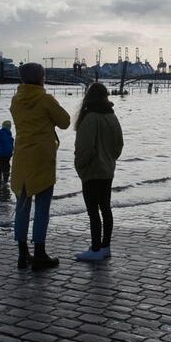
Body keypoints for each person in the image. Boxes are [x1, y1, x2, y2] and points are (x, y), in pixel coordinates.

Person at [10, 62, 71, 270]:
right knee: (42, 209)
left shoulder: (15, 100)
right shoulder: (45, 99)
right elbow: (65, 121)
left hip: (20, 159)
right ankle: (39, 254)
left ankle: (21, 254)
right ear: (41, 78)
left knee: (21, 208)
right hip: (42, 160)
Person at [73, 83, 124, 262]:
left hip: (92, 171)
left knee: (93, 211)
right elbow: (119, 144)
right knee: (106, 208)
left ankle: (95, 248)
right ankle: (105, 246)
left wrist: (80, 165)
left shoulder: (90, 118)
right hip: (107, 170)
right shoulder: (112, 116)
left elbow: (84, 148)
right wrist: (111, 159)